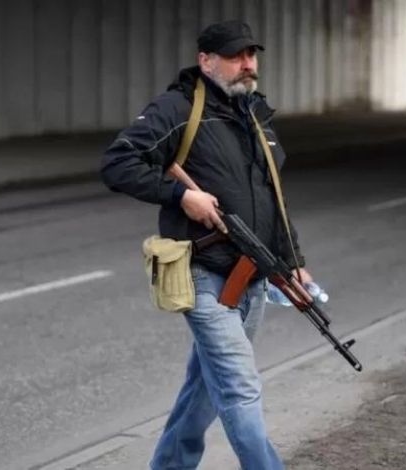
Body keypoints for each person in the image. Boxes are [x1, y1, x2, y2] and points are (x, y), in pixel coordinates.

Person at [100, 20, 310, 470]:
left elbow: (274, 194)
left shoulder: (255, 114)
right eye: (236, 56)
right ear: (206, 61)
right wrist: (181, 195)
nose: (247, 64)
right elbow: (118, 163)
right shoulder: (178, 109)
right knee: (239, 384)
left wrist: (293, 263)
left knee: (204, 385)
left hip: (251, 275)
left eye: (251, 55)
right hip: (201, 271)